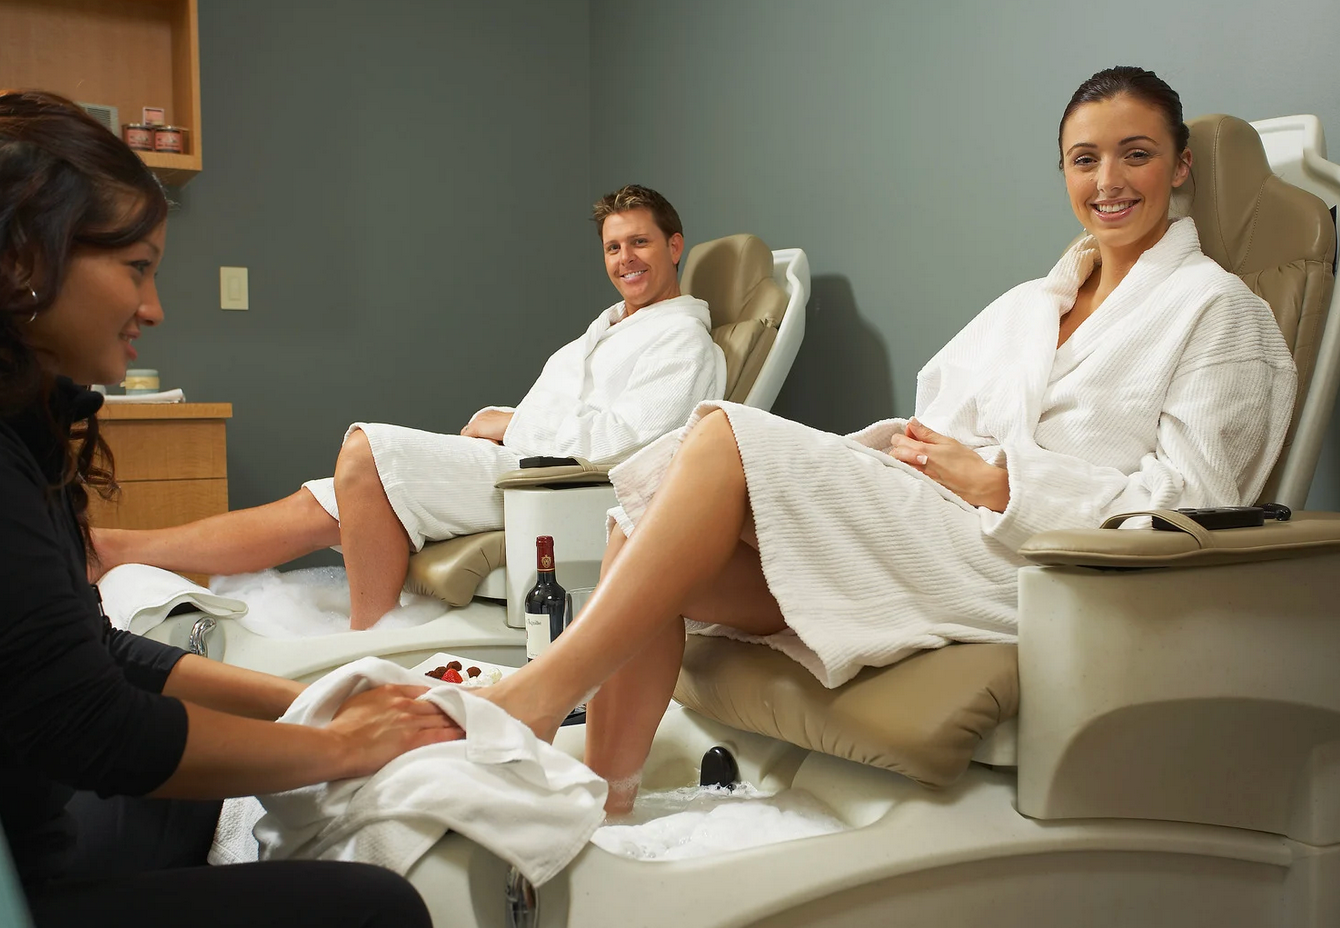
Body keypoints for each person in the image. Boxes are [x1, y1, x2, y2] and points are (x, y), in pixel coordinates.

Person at [472, 66, 1300, 815]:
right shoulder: (1030, 304)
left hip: (1046, 568)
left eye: (1136, 154)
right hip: (938, 526)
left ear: (1180, 165)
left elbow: (1198, 507)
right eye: (1085, 159)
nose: (1108, 181)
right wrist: (911, 456)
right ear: (1064, 172)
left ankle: (538, 697)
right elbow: (933, 418)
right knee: (638, 516)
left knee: (721, 433)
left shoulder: (1219, 312)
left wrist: (999, 482)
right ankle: (606, 803)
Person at [0, 89, 459, 927]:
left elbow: (93, 650)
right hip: (24, 874)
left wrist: (300, 699)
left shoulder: (28, 424)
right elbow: (92, 723)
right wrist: (336, 746)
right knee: (378, 909)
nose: (154, 307)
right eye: (137, 268)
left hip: (37, 818)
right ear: (26, 258)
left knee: (199, 793)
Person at [91, 184, 727, 629]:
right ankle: (120, 548)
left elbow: (630, 445)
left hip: (562, 493)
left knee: (365, 451)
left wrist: (511, 423)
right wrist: (501, 425)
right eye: (614, 247)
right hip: (519, 468)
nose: (625, 260)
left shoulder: (683, 341)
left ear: (674, 247)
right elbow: (564, 412)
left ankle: (372, 639)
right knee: (322, 501)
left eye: (639, 243)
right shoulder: (606, 330)